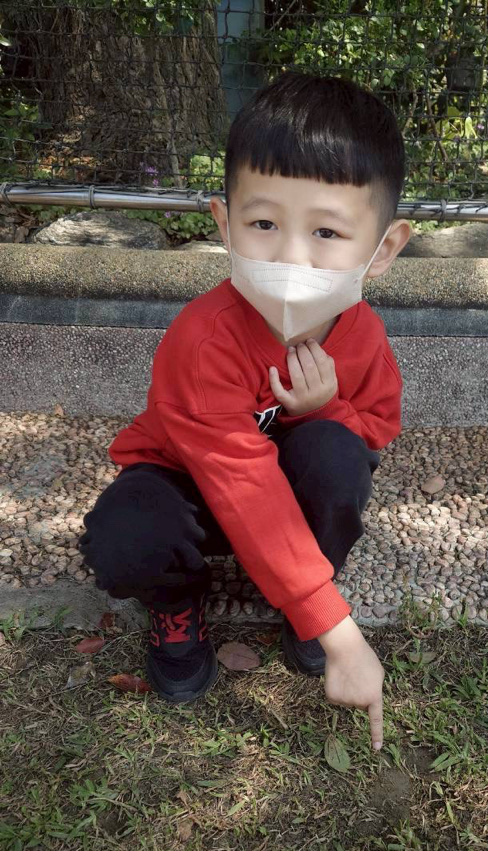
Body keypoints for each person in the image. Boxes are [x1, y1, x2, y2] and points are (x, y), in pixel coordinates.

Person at [77, 70, 411, 751]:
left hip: (284, 489)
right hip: (193, 491)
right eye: (264, 223)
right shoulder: (203, 338)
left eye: (326, 231)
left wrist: (327, 408)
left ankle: (307, 590)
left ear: (383, 250)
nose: (291, 255)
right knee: (124, 533)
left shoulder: (364, 335)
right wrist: (342, 633)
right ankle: (178, 604)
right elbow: (241, 483)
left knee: (337, 454)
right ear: (224, 223)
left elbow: (378, 430)